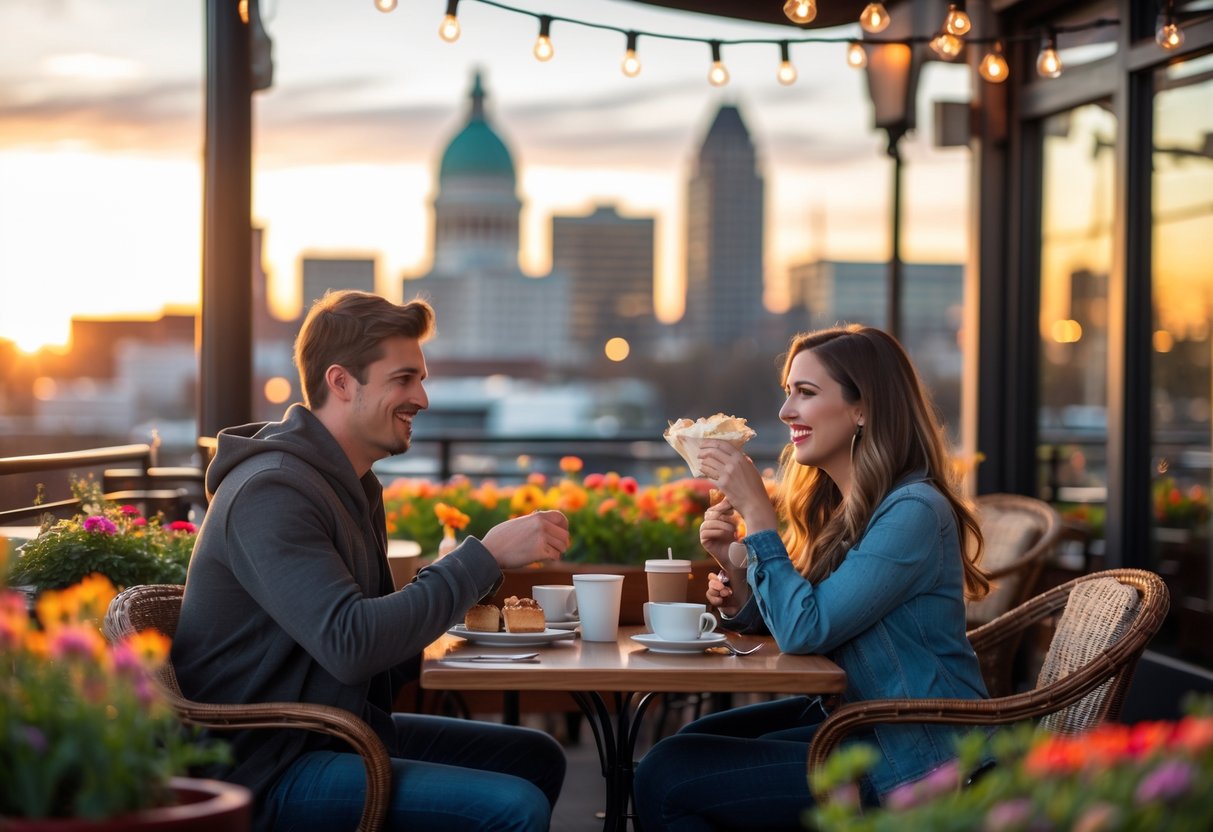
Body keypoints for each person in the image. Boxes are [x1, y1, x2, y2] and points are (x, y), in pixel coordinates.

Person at [172, 290, 570, 832]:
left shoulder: (353, 485)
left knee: (536, 757)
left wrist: (482, 622)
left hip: (335, 731)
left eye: (422, 379)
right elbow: (351, 644)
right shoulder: (272, 492)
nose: (423, 398)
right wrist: (485, 557)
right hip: (263, 766)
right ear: (341, 382)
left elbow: (381, 648)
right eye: (404, 379)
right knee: (512, 807)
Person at [633, 325, 990, 831]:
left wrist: (759, 516)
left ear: (863, 408)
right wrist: (736, 570)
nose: (785, 412)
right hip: (858, 726)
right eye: (787, 393)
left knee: (668, 776)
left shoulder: (912, 511)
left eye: (806, 393)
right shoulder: (846, 508)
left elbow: (806, 629)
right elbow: (805, 617)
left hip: (915, 758)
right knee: (683, 747)